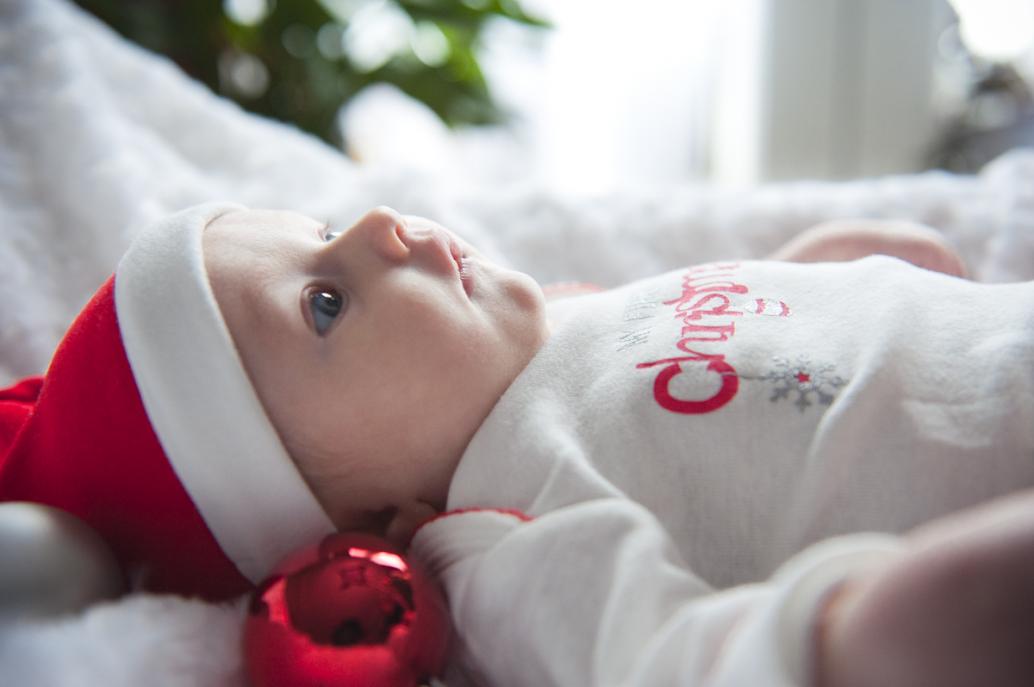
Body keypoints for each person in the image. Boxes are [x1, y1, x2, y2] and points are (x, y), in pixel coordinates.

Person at [0, 202, 1031, 686]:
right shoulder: (499, 534)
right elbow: (652, 660)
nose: (374, 227)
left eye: (319, 223)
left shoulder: (564, 322)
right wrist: (845, 644)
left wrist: (813, 270)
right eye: (324, 303)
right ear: (364, 525)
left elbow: (724, 345)